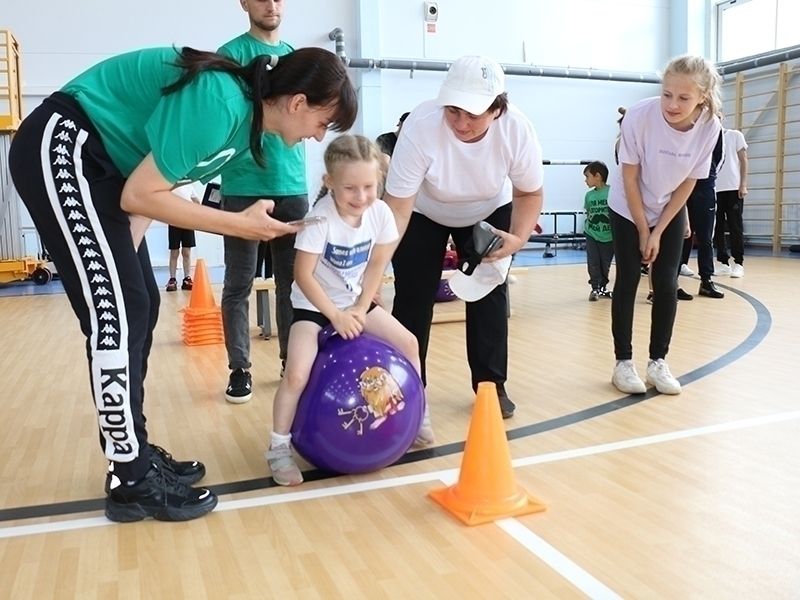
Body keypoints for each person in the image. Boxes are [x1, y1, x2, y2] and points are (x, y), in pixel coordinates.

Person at [7, 45, 356, 522]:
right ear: (298, 102)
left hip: (105, 170)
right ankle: (129, 476)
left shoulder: (244, 128)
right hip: (65, 144)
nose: (317, 136)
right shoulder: (222, 101)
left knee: (141, 303)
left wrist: (125, 268)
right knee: (119, 313)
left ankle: (133, 453)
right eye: (322, 123)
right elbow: (140, 191)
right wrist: (239, 225)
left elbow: (151, 191)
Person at [383, 55, 544, 419]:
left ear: (497, 109)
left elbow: (529, 193)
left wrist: (517, 238)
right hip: (423, 211)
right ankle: (408, 385)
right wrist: (375, 267)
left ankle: (490, 385)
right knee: (412, 295)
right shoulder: (421, 125)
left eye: (473, 113)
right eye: (454, 110)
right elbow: (397, 207)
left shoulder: (517, 129)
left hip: (489, 209)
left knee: (488, 292)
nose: (461, 123)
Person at [267, 135, 431, 486]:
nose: (361, 196)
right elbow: (303, 275)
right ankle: (278, 448)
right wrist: (336, 315)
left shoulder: (381, 213)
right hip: (313, 305)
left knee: (409, 343)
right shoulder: (319, 219)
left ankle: (419, 415)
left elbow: (377, 264)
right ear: (329, 182)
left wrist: (359, 306)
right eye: (350, 188)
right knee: (296, 374)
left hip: (355, 301)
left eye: (368, 187)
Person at [608, 54, 722, 396]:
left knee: (667, 281)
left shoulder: (710, 127)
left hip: (669, 206)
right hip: (628, 205)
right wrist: (644, 230)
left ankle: (658, 361)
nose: (672, 104)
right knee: (629, 276)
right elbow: (630, 178)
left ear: (702, 97)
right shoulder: (639, 116)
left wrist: (660, 230)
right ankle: (623, 363)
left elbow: (689, 181)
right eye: (667, 94)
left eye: (684, 97)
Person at [217, 0, 311, 404]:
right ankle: (239, 368)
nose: (271, 4)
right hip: (243, 185)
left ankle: (293, 364)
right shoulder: (230, 55)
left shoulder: (295, 58)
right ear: (244, 2)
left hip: (292, 186)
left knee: (294, 284)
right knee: (239, 283)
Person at [680, 129, 725, 299]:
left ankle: (706, 281)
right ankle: (673, 282)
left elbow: (719, 156)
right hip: (681, 185)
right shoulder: (684, 124)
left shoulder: (714, 127)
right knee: (681, 234)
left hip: (705, 187)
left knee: (705, 237)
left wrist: (709, 174)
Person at [714, 127, 749, 278]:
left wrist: (743, 184)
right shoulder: (710, 137)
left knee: (735, 226)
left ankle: (739, 263)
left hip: (733, 188)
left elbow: (743, 160)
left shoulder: (735, 135)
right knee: (718, 227)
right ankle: (723, 263)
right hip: (715, 189)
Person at [583, 161, 613, 301]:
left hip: (609, 236)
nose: (585, 180)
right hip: (592, 234)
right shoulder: (589, 196)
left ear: (598, 176)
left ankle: (603, 287)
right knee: (593, 262)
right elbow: (588, 212)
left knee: (605, 264)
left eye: (587, 176)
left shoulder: (612, 192)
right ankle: (595, 288)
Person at [166, 183, 201, 292]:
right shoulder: (170, 186)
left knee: (186, 252)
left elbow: (197, 201)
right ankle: (172, 279)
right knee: (174, 252)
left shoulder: (189, 186)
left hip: (188, 222)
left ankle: (187, 278)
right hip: (173, 222)